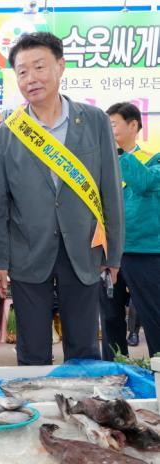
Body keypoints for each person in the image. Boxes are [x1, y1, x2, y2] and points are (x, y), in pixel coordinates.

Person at [0, 32, 123, 366]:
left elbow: (110, 190)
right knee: (32, 352)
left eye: (39, 67)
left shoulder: (94, 121)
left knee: (84, 350)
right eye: (22, 71)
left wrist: (114, 253)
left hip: (84, 251)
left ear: (60, 66)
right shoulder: (7, 132)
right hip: (27, 253)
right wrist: (0, 261)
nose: (31, 78)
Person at [101, 102, 160, 358]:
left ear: (133, 125)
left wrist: (119, 153)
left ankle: (158, 369)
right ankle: (114, 367)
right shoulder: (101, 162)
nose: (107, 130)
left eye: (112, 125)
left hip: (144, 251)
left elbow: (143, 182)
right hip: (107, 251)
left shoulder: (154, 159)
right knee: (110, 317)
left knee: (152, 315)